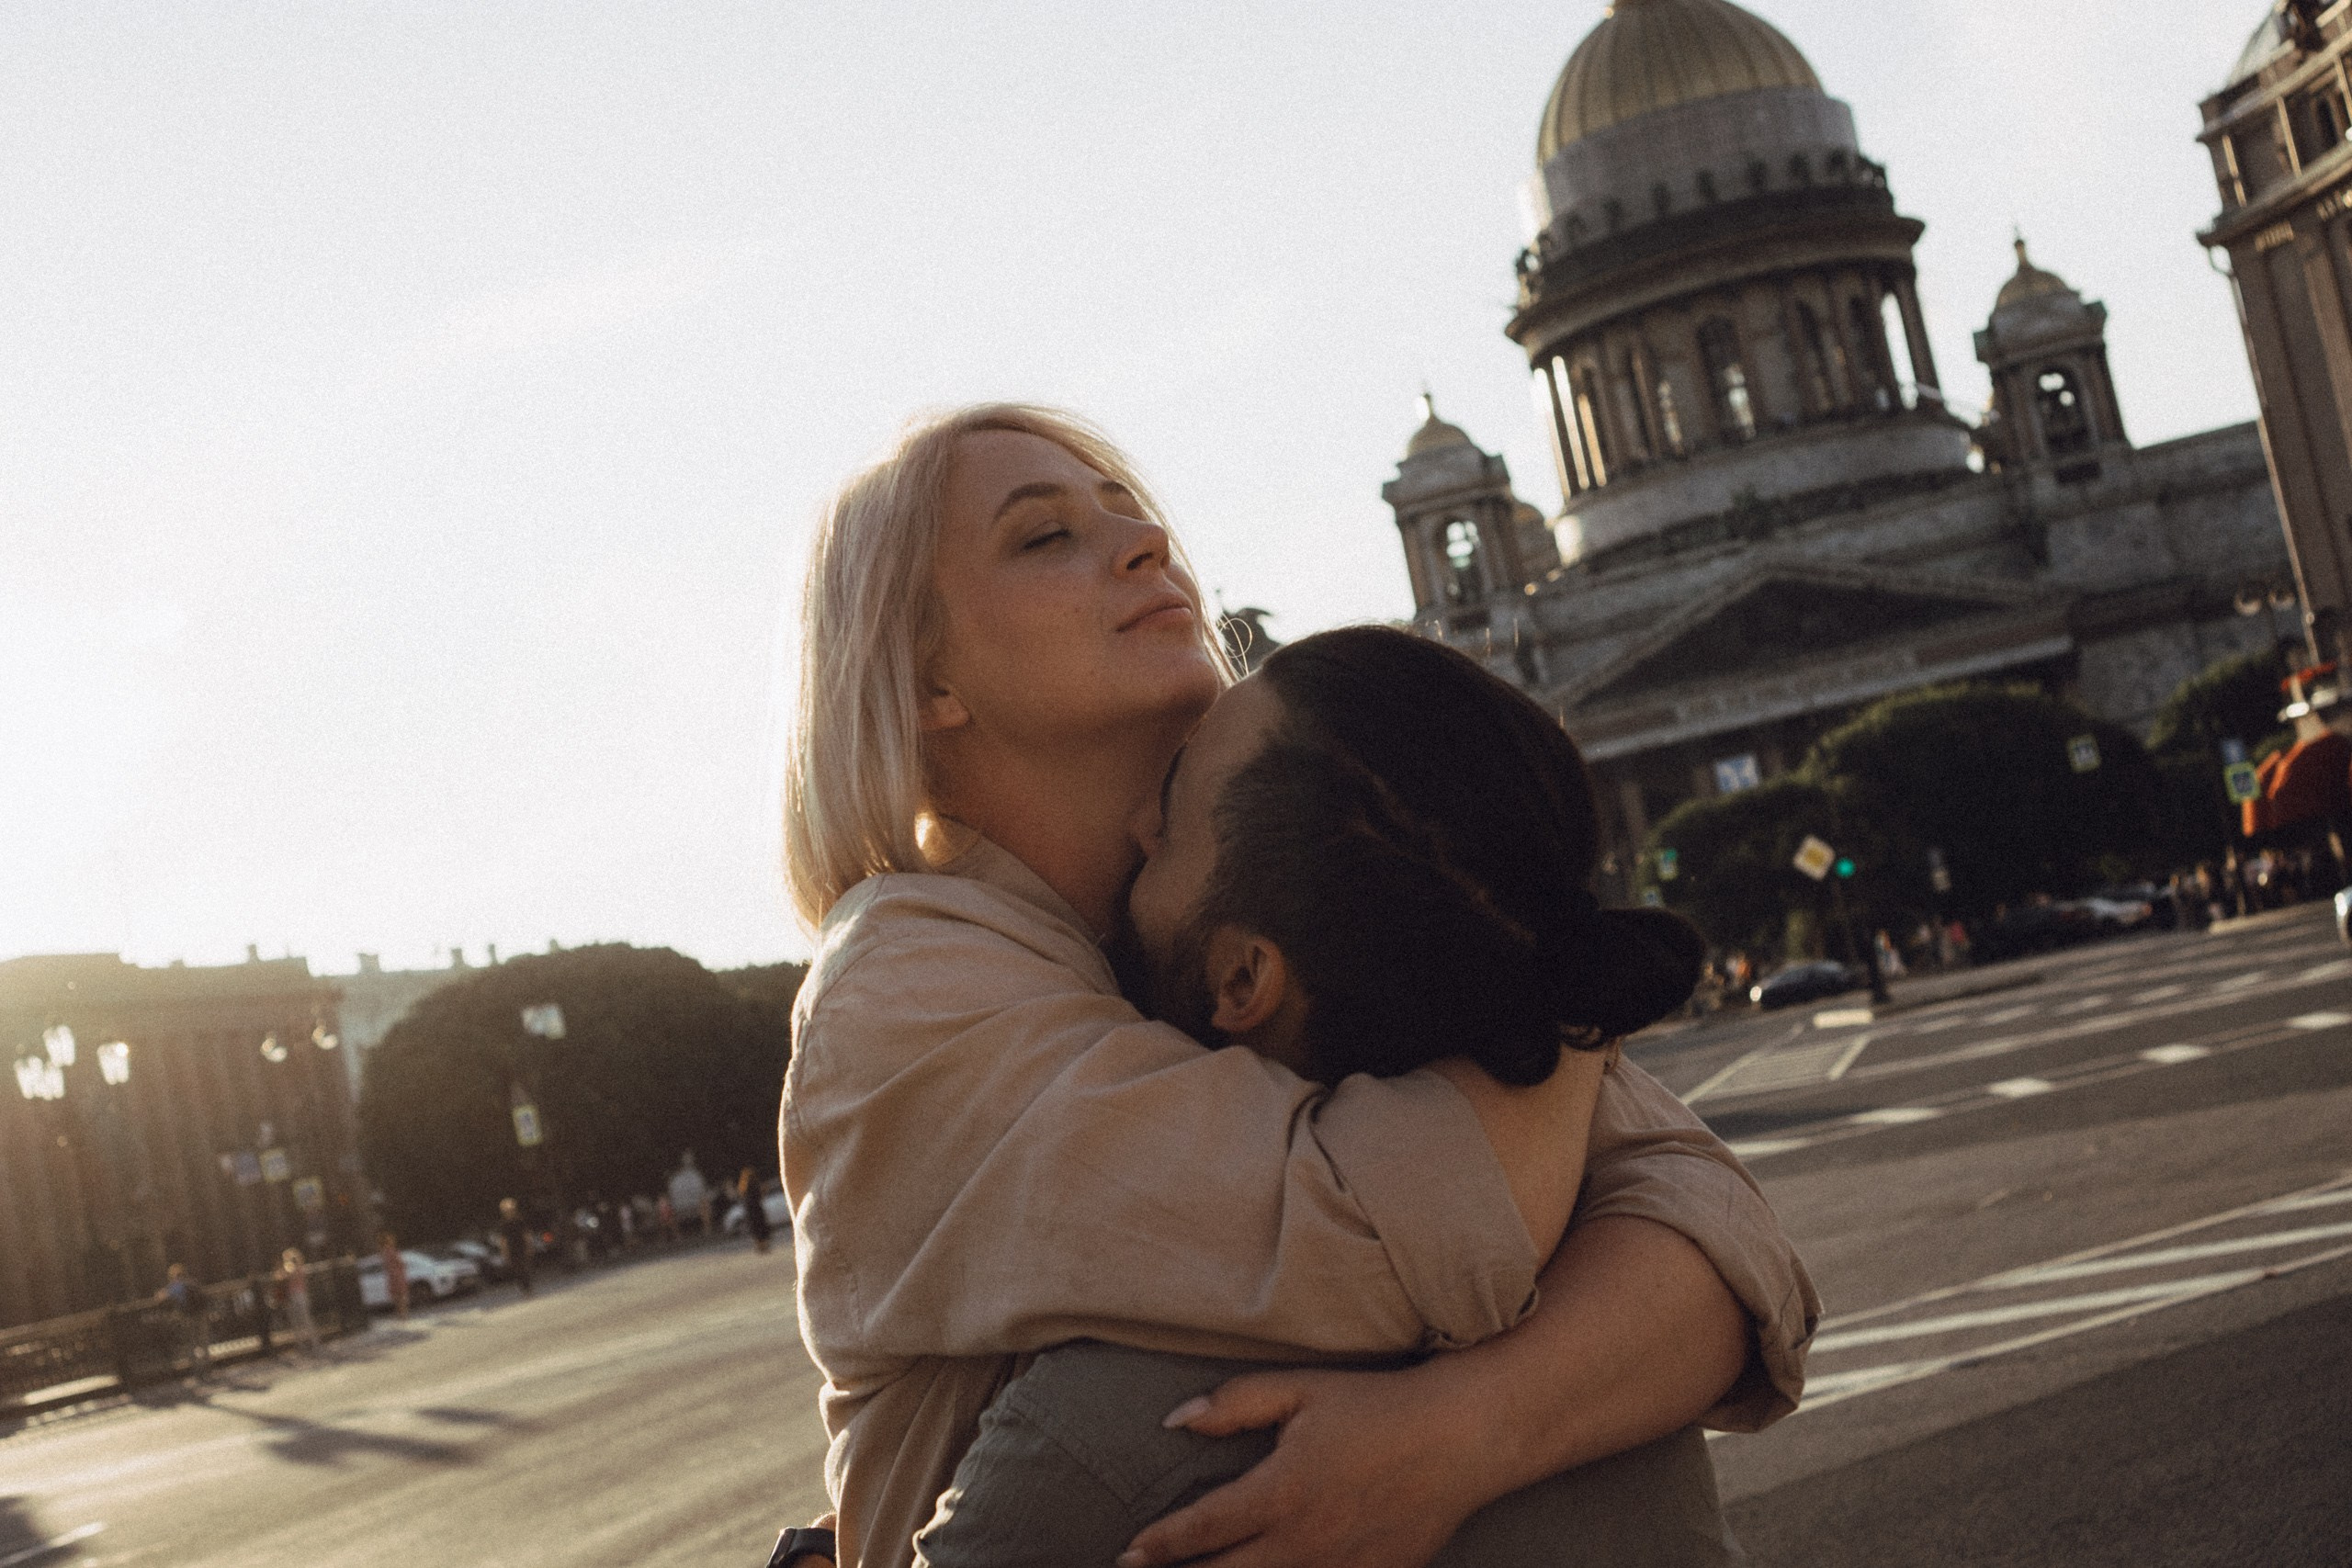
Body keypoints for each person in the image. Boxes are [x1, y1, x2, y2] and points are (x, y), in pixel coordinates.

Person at [776, 405, 1813, 1568]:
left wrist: (1459, 1434)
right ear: (926, 686)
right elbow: (1400, 1237)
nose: (1141, 544)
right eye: (1043, 538)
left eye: (1131, 514)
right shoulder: (908, 986)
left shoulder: (1245, 893)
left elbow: (1720, 1251)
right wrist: (1540, 943)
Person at [917, 626, 1758, 1566]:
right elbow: (1730, 1234)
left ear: (1243, 982)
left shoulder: (1120, 1423)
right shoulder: (1604, 1298)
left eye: (1174, 809)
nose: (1138, 828)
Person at [159, 1263, 210, 1373]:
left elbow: (161, 1297)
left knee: (191, 1343)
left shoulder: (175, 1286)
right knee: (203, 1343)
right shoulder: (192, 1282)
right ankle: (207, 1367)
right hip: (200, 1314)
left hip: (188, 1316)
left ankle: (197, 1370)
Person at [276, 1247, 319, 1354]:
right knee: (298, 1322)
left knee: (304, 1320)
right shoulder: (293, 1269)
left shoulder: (297, 1269)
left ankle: (311, 1343)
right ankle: (305, 1344)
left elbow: (288, 1276)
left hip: (298, 1296)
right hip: (295, 1296)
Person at [498, 1197, 536, 1296]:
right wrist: (504, 1252)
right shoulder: (503, 1224)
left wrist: (529, 1246)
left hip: (521, 1247)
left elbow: (526, 1234)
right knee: (517, 1270)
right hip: (512, 1249)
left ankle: (528, 1287)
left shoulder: (520, 1220)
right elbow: (503, 1240)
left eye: (511, 1210)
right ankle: (523, 1287)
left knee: (525, 1268)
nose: (510, 1212)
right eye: (507, 1211)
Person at [738, 1168, 775, 1255]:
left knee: (755, 1229)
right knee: (761, 1228)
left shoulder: (743, 1187)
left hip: (750, 1211)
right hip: (757, 1210)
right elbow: (760, 1196)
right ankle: (764, 1246)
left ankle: (759, 1246)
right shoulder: (754, 1185)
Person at [378, 1232, 411, 1321]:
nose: (393, 1241)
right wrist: (403, 1265)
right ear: (389, 1241)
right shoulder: (392, 1251)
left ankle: (400, 1314)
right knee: (402, 1295)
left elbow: (385, 1265)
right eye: (391, 1240)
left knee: (396, 1296)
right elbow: (399, 1262)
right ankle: (403, 1314)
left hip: (391, 1276)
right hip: (398, 1275)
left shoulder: (383, 1252)